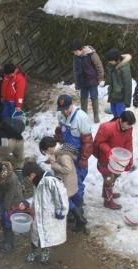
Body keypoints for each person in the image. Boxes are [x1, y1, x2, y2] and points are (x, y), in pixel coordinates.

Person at [55, 94, 92, 232]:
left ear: (72, 105)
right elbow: (59, 131)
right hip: (66, 153)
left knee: (77, 185)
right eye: (62, 109)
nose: (64, 111)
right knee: (66, 183)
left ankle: (79, 213)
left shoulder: (81, 117)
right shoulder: (61, 116)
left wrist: (83, 159)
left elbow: (88, 142)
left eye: (66, 108)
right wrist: (57, 138)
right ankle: (71, 211)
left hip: (78, 155)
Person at [20, 162, 69, 265]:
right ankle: (33, 252)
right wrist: (26, 202)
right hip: (39, 215)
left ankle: (45, 255)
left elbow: (61, 198)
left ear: (32, 174)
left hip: (49, 216)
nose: (28, 179)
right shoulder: (38, 182)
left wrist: (61, 212)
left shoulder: (51, 182)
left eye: (28, 177)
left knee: (46, 236)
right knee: (35, 235)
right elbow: (37, 198)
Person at [93, 110, 135, 210]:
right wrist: (109, 152)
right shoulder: (106, 127)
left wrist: (129, 159)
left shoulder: (128, 129)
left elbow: (128, 144)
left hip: (118, 160)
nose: (129, 127)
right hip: (105, 160)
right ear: (121, 120)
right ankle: (108, 201)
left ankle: (107, 192)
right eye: (128, 124)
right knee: (109, 178)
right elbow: (99, 143)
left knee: (115, 176)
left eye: (131, 125)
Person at [38, 136, 78, 214]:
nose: (46, 154)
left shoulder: (63, 155)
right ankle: (71, 216)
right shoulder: (57, 150)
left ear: (49, 148)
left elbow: (67, 169)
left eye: (45, 152)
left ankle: (79, 217)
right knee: (65, 199)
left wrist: (54, 165)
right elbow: (55, 157)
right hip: (65, 180)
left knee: (65, 200)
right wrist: (50, 161)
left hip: (67, 182)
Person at [71, 39, 105, 123]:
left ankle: (96, 115)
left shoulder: (91, 54)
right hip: (82, 81)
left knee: (94, 97)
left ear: (81, 49)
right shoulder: (76, 57)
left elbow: (99, 65)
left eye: (75, 51)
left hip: (92, 80)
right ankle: (83, 115)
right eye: (73, 52)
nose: (74, 53)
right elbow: (75, 70)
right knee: (83, 98)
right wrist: (77, 82)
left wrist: (101, 78)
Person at [104, 48, 132, 118]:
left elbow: (128, 85)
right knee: (114, 114)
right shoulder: (112, 66)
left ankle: (120, 128)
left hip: (121, 97)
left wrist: (127, 102)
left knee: (120, 117)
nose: (110, 62)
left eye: (111, 61)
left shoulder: (124, 68)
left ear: (117, 59)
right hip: (113, 95)